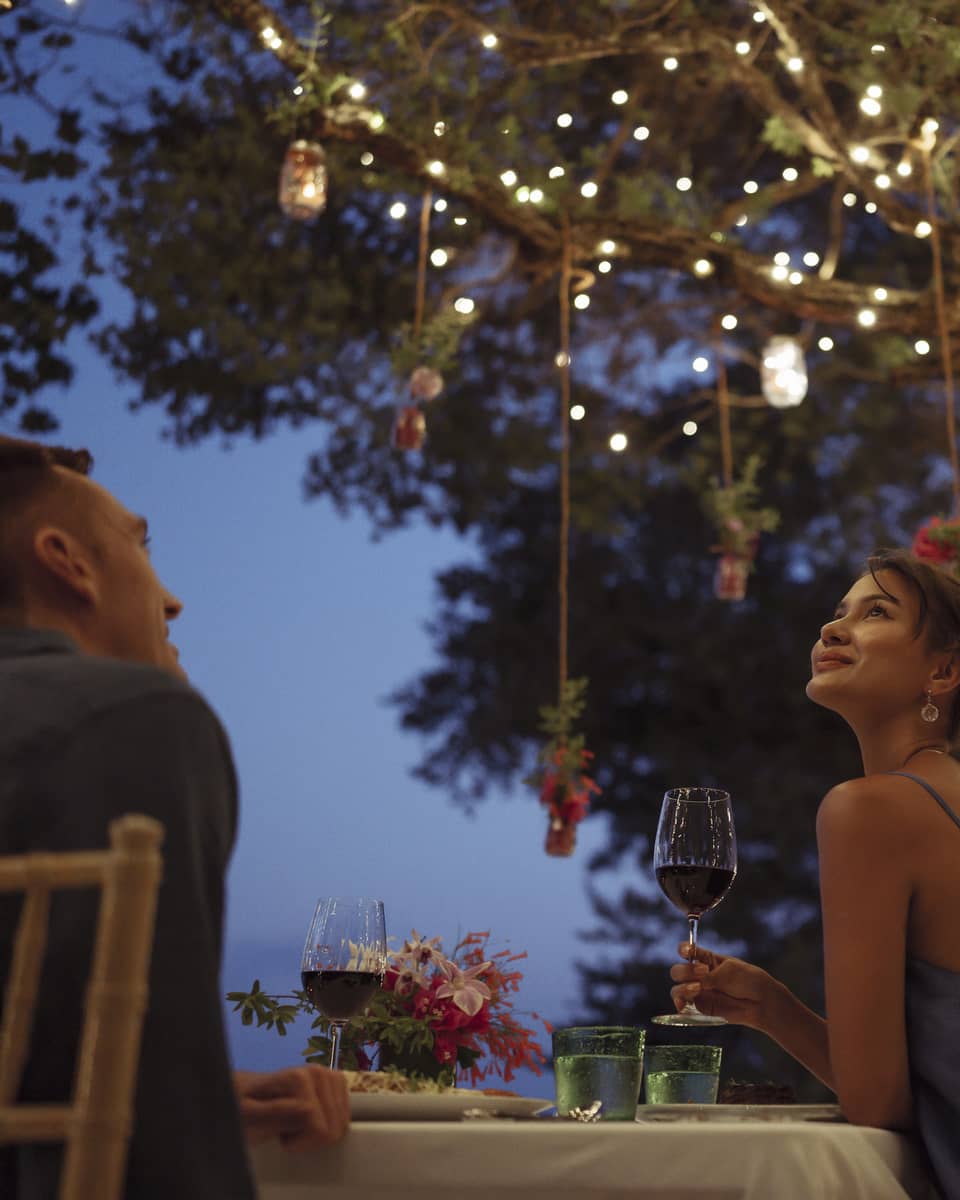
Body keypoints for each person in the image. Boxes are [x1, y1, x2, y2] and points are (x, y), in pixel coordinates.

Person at [0, 435, 349, 1199]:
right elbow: (165, 1156)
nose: (172, 598)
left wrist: (202, 1090)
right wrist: (176, 1102)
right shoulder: (132, 720)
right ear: (67, 561)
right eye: (140, 545)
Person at [668, 549, 960, 1199]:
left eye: (876, 612)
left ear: (943, 671)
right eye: (838, 613)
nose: (832, 629)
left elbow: (878, 1105)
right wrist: (772, 1007)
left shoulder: (868, 810)